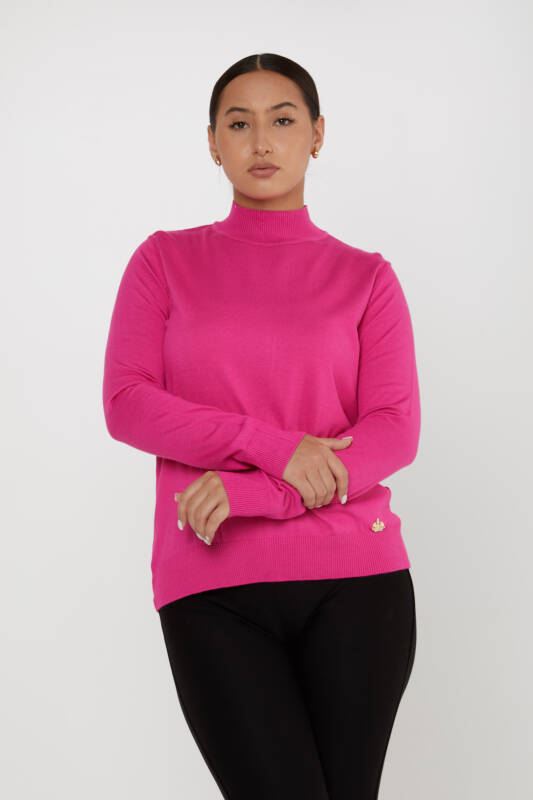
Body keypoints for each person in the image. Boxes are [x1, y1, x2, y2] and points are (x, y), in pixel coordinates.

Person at [102, 52, 420, 800]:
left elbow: (393, 430)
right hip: (212, 582)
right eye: (238, 124)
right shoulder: (163, 262)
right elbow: (127, 402)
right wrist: (275, 448)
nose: (262, 142)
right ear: (213, 143)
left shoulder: (366, 276)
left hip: (357, 582)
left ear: (317, 134)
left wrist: (260, 493)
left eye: (282, 120)